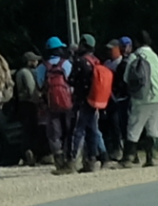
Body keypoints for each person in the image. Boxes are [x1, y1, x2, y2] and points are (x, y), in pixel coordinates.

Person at [121, 31, 158, 168]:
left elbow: (126, 77)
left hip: (141, 97)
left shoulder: (135, 56)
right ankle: (150, 157)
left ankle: (128, 157)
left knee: (134, 127)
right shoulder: (155, 56)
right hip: (157, 95)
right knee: (152, 128)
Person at [69, 34, 110, 172]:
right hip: (94, 99)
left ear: (83, 45)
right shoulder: (95, 61)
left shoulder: (80, 61)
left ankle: (73, 161)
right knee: (93, 129)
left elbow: (71, 80)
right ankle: (96, 158)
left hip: (82, 100)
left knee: (78, 130)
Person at [38, 36, 75, 174]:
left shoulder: (42, 67)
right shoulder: (67, 64)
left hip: (51, 104)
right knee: (68, 130)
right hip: (67, 102)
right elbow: (72, 82)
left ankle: (59, 163)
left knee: (54, 134)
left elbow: (40, 85)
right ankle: (70, 161)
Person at [101, 38, 131, 162]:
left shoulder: (123, 63)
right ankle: (112, 149)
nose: (109, 51)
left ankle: (122, 149)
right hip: (107, 99)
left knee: (120, 125)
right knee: (110, 125)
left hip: (121, 99)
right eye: (108, 49)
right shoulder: (106, 64)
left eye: (111, 49)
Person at [13, 52, 45, 165]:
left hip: (22, 104)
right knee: (31, 130)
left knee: (26, 130)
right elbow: (31, 90)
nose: (36, 62)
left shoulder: (19, 72)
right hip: (29, 104)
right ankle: (30, 152)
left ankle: (27, 153)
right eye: (34, 60)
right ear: (29, 61)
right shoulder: (26, 73)